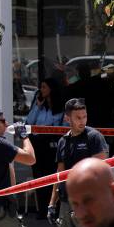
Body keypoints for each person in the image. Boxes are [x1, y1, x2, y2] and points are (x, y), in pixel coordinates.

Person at [48, 98, 109, 227]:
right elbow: (58, 175)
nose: (82, 121)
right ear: (68, 119)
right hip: (67, 205)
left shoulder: (94, 137)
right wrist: (52, 204)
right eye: (78, 117)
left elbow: (101, 168)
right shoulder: (63, 142)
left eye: (84, 116)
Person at [25, 78, 65, 219]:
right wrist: (37, 106)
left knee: (53, 176)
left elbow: (63, 127)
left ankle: (54, 207)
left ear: (51, 89)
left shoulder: (60, 108)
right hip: (38, 143)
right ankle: (42, 210)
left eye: (43, 87)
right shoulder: (39, 105)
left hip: (52, 145)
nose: (41, 90)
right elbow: (29, 122)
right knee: (39, 177)